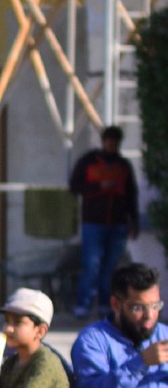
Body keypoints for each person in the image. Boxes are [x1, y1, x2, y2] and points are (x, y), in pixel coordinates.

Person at [70, 125, 140, 318]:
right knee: (91, 265)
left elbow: (131, 195)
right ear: (103, 142)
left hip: (118, 224)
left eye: (114, 143)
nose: (111, 145)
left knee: (110, 268)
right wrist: (99, 186)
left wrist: (134, 222)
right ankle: (83, 304)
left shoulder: (123, 166)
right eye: (109, 142)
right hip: (93, 223)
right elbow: (74, 186)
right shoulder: (88, 161)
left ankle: (104, 304)